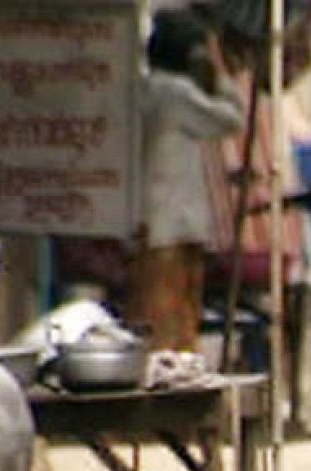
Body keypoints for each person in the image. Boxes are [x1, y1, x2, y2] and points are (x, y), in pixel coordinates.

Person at [128, 10, 244, 352]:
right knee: (170, 321)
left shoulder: (148, 91)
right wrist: (220, 76)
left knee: (166, 317)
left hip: (162, 223)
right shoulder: (173, 93)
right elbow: (231, 119)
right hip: (170, 226)